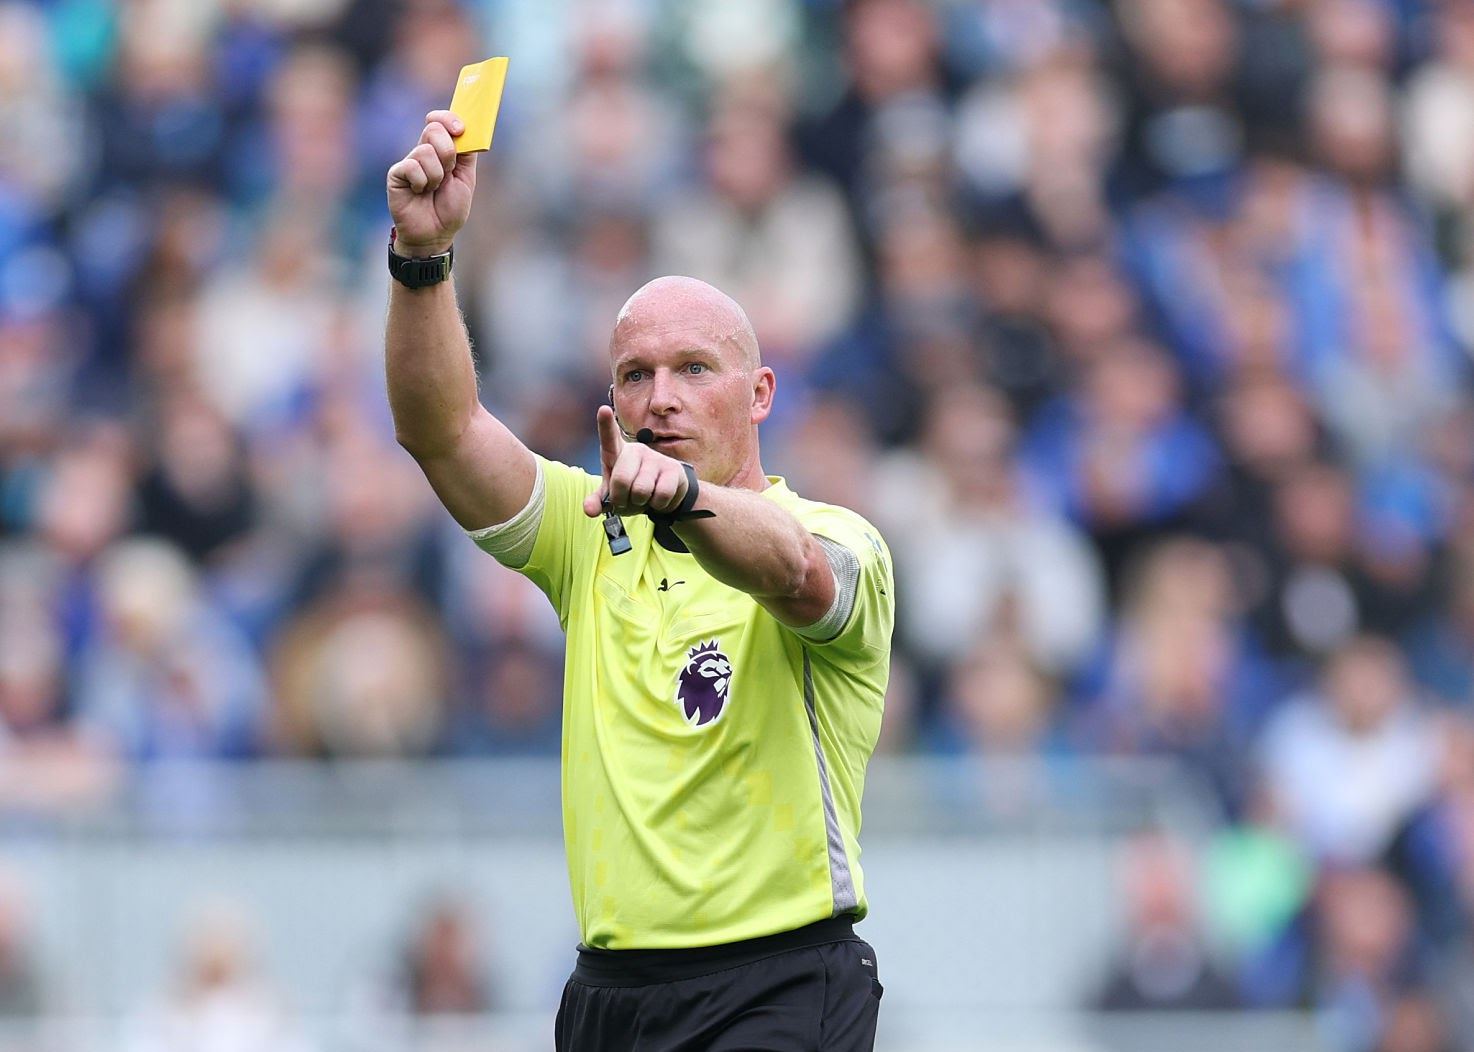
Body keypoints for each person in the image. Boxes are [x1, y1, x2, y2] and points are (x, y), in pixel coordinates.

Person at [384, 111, 894, 1050]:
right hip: (609, 997)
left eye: (694, 369)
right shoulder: (587, 534)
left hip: (776, 983)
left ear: (760, 394)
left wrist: (685, 497)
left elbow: (793, 569)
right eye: (635, 374)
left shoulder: (834, 534)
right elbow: (443, 432)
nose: (659, 398)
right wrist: (422, 262)